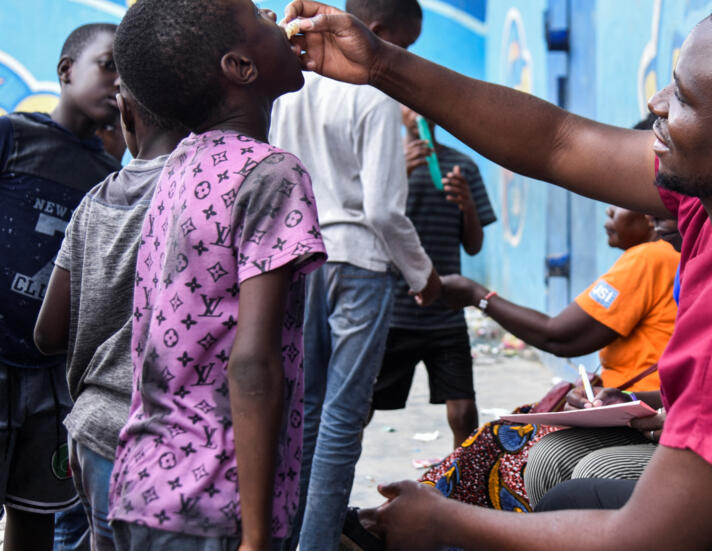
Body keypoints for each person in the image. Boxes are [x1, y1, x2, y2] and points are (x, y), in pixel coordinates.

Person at [283, 1, 712, 549]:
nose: (655, 107)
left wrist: (443, 524)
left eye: (681, 98)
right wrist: (380, 64)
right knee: (561, 497)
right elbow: (558, 141)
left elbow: (647, 538)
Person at [105, 1, 326, 549]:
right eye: (259, 15)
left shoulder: (181, 165)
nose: (277, 14)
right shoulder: (272, 173)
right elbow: (252, 362)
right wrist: (254, 537)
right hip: (216, 500)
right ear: (241, 68)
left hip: (144, 485)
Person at [268, 2, 439, 548]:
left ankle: (294, 532)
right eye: (404, 46)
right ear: (378, 34)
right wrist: (422, 274)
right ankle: (317, 541)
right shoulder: (375, 98)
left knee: (308, 410)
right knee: (344, 415)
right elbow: (385, 210)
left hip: (300, 258)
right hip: (359, 264)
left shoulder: (291, 90)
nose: (404, 60)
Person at [414, 203, 678, 513]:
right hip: (630, 403)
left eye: (621, 203)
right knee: (529, 447)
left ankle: (433, 520)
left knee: (500, 443)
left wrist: (479, 297)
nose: (608, 212)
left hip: (640, 413)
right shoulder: (665, 259)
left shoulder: (651, 256)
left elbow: (560, 335)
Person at [34, 80, 188, 551]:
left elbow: (47, 332)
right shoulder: (205, 191)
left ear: (123, 110)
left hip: (91, 429)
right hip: (162, 438)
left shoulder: (94, 202)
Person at [0, 22, 121, 551]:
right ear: (66, 70)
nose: (119, 84)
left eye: (128, 75)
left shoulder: (108, 176)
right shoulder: (12, 138)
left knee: (34, 515)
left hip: (52, 376)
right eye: (108, 65)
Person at [371, 106, 497, 449]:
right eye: (406, 105)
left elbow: (473, 246)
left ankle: (461, 486)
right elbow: (370, 229)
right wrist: (394, 177)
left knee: (463, 410)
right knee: (360, 405)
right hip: (392, 310)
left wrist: (467, 205)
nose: (417, 111)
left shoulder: (463, 166)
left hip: (445, 311)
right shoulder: (380, 164)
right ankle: (337, 486)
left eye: (422, 103)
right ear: (396, 113)